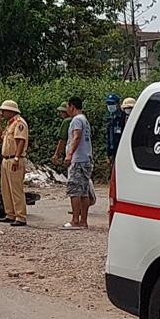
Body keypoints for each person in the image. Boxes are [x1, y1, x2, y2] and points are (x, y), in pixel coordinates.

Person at [0, 100, 29, 226]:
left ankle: (20, 216)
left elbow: (21, 141)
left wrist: (16, 158)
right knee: (6, 189)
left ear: (11, 111)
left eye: (4, 110)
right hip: (6, 159)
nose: (2, 113)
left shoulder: (20, 123)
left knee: (16, 189)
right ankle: (10, 213)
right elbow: (0, 138)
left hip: (15, 158)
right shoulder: (10, 124)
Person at [63, 96, 94, 230]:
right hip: (86, 158)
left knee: (74, 190)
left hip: (78, 160)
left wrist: (69, 154)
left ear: (72, 107)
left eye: (67, 107)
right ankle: (83, 221)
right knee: (84, 191)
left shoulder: (76, 120)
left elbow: (77, 137)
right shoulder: (85, 120)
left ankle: (75, 220)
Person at [105, 93, 126, 167]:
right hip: (113, 151)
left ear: (117, 104)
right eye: (108, 103)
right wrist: (108, 154)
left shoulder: (123, 117)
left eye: (112, 103)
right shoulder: (110, 118)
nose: (110, 105)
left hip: (121, 151)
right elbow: (108, 137)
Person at [51, 102, 71, 166]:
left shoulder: (67, 121)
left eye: (62, 112)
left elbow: (62, 139)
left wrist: (56, 154)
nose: (61, 114)